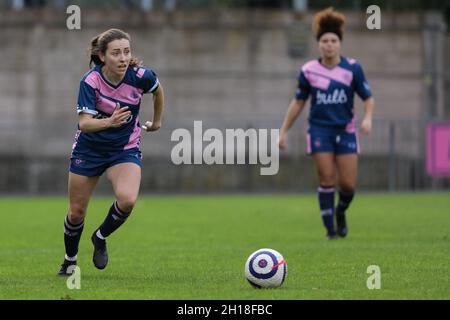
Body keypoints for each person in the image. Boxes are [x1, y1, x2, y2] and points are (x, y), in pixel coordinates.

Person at [58, 28, 164, 275]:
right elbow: (85, 123)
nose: (123, 58)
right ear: (103, 56)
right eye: (116, 53)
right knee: (76, 212)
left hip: (123, 148)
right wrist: (109, 122)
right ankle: (70, 261)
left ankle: (100, 236)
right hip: (89, 148)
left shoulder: (141, 76)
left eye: (126, 52)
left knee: (127, 199)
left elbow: (158, 91)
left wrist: (157, 121)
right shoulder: (91, 81)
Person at [278, 8, 375, 240]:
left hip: (346, 131)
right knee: (326, 179)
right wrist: (283, 132)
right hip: (320, 130)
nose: (329, 44)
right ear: (318, 44)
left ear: (339, 43)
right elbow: (298, 102)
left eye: (333, 40)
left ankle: (341, 211)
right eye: (324, 41)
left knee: (348, 185)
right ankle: (330, 231)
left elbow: (368, 97)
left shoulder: (352, 68)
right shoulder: (309, 71)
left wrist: (368, 118)